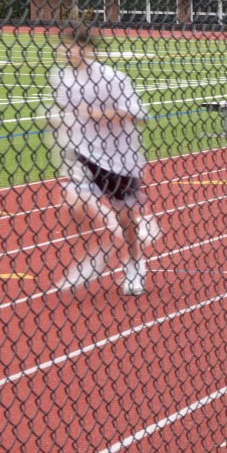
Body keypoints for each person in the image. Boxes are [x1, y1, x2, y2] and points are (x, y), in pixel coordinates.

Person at [50, 22, 152, 296]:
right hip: (86, 155)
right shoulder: (61, 79)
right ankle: (95, 252)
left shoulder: (111, 77)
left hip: (120, 159)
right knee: (74, 205)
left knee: (124, 217)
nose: (73, 51)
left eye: (79, 45)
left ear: (90, 49)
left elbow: (139, 113)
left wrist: (102, 115)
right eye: (68, 45)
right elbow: (66, 113)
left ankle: (134, 264)